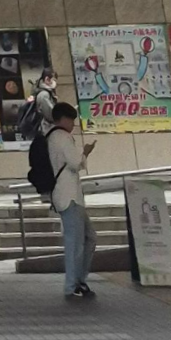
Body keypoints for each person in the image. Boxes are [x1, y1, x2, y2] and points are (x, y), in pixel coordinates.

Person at [44, 103, 98, 300]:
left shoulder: (51, 137)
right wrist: (85, 152)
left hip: (67, 196)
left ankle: (79, 280)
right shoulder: (62, 137)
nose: (73, 124)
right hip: (70, 197)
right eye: (71, 120)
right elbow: (75, 163)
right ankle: (72, 285)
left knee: (88, 237)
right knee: (76, 243)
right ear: (63, 119)